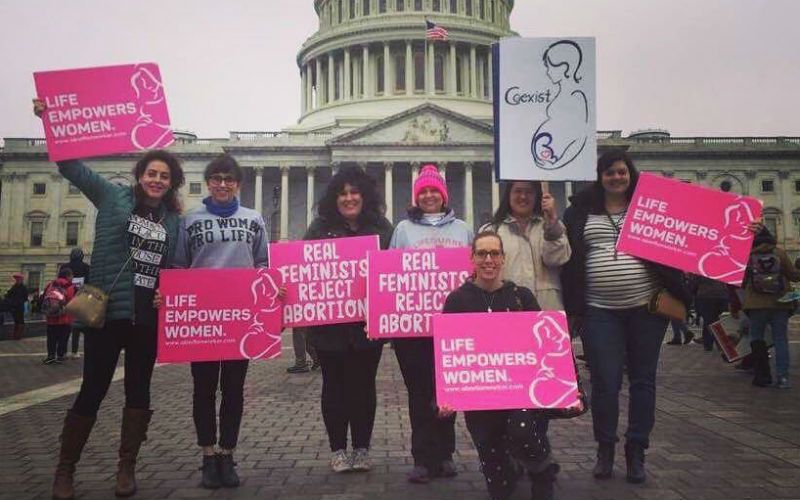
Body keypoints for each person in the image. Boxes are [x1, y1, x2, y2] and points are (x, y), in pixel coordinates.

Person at [35, 99, 185, 500]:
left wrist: (165, 295)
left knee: (139, 392)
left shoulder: (173, 220)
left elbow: (175, 271)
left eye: (164, 176)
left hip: (145, 318)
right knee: (93, 389)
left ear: (172, 183)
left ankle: (126, 468)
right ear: (140, 175)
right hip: (106, 313)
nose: (156, 180)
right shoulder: (112, 197)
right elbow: (71, 167)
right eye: (151, 173)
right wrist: (51, 119)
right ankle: (65, 470)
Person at [560, 150, 690, 484]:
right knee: (605, 381)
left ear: (630, 174)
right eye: (609, 173)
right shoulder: (579, 212)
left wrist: (744, 229)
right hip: (598, 310)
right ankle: (605, 448)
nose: (616, 178)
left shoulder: (651, 208)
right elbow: (566, 255)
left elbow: (697, 231)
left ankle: (636, 450)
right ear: (599, 177)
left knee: (643, 381)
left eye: (621, 172)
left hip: (647, 308)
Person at [172, 154, 269, 489]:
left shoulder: (254, 219)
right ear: (208, 181)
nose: (222, 184)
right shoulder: (189, 219)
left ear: (237, 184)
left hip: (239, 318)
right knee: (202, 389)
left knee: (233, 390)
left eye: (228, 179)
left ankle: (227, 454)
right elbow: (179, 267)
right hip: (202, 319)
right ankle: (208, 455)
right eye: (216, 178)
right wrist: (168, 297)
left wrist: (273, 293)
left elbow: (262, 264)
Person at [441, 231, 560, 500]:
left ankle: (542, 470)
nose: (488, 259)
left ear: (503, 258)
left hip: (523, 394)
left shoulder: (522, 297)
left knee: (522, 430)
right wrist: (446, 397)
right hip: (481, 398)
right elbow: (447, 353)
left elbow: (546, 346)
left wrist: (565, 390)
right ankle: (509, 467)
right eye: (482, 253)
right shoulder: (457, 300)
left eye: (494, 253)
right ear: (472, 258)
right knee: (499, 487)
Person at [303, 166, 393, 473]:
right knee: (334, 387)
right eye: (342, 193)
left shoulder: (381, 228)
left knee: (364, 387)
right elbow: (303, 272)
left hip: (367, 326)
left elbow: (394, 273)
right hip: (329, 327)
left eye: (354, 192)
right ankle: (338, 449)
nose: (349, 198)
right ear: (334, 197)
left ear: (365, 195)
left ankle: (362, 449)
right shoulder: (318, 228)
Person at [389, 164, 473, 483]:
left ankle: (445, 454)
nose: (427, 196)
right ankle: (423, 458)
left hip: (451, 325)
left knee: (447, 391)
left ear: (443, 195)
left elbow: (472, 273)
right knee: (419, 393)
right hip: (412, 328)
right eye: (422, 191)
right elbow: (390, 276)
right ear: (416, 196)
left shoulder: (463, 230)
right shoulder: (403, 230)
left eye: (433, 190)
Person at [482, 181, 570, 310]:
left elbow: (557, 260)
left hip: (546, 309)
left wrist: (551, 225)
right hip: (506, 308)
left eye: (529, 192)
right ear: (509, 195)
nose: (523, 196)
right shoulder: (491, 231)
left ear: (537, 196)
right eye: (518, 191)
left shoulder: (553, 227)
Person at [742, 228, 800, 389]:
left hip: (755, 304)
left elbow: (741, 281)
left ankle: (763, 375)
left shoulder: (748, 255)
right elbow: (794, 276)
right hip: (780, 302)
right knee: (781, 339)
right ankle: (782, 377)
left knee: (756, 338)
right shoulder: (780, 253)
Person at [60, 248, 91, 358]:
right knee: (78, 327)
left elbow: (60, 283)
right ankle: (74, 351)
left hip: (65, 300)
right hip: (81, 300)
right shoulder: (86, 267)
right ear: (82, 256)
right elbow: (89, 284)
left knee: (65, 327)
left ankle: (62, 351)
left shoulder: (64, 267)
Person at [42, 268, 76, 364]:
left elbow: (44, 298)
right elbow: (71, 301)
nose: (72, 277)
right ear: (68, 276)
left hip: (51, 318)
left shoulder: (50, 284)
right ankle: (60, 356)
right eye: (71, 275)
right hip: (64, 318)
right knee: (63, 338)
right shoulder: (70, 286)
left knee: (51, 338)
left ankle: (51, 355)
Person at [690, 275, 730, 352]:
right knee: (712, 319)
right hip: (722, 296)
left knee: (710, 320)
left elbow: (694, 284)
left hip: (706, 296)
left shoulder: (701, 269)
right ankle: (708, 342)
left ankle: (720, 344)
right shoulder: (722, 267)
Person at [4, 273, 28, 340]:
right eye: (16, 279)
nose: (17, 280)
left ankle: (18, 335)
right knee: (16, 321)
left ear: (21, 279)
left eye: (18, 279)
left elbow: (25, 297)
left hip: (20, 307)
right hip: (14, 307)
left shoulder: (24, 288)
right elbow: (9, 294)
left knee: (20, 321)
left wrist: (20, 301)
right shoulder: (14, 286)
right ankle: (15, 335)